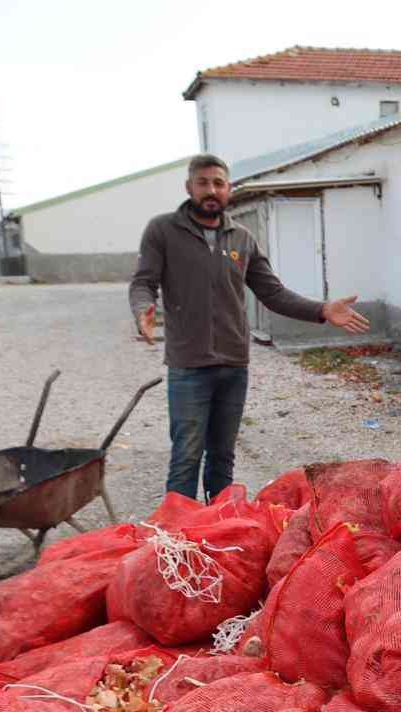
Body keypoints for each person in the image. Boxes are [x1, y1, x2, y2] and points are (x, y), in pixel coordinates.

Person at [128, 153, 370, 501]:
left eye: (218, 183)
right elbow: (143, 282)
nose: (211, 190)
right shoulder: (163, 230)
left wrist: (322, 310)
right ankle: (177, 538)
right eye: (203, 182)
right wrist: (142, 310)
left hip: (233, 366)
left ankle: (219, 528)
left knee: (223, 457)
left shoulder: (242, 237)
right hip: (188, 366)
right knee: (186, 457)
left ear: (228, 189)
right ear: (188, 187)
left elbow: (273, 293)